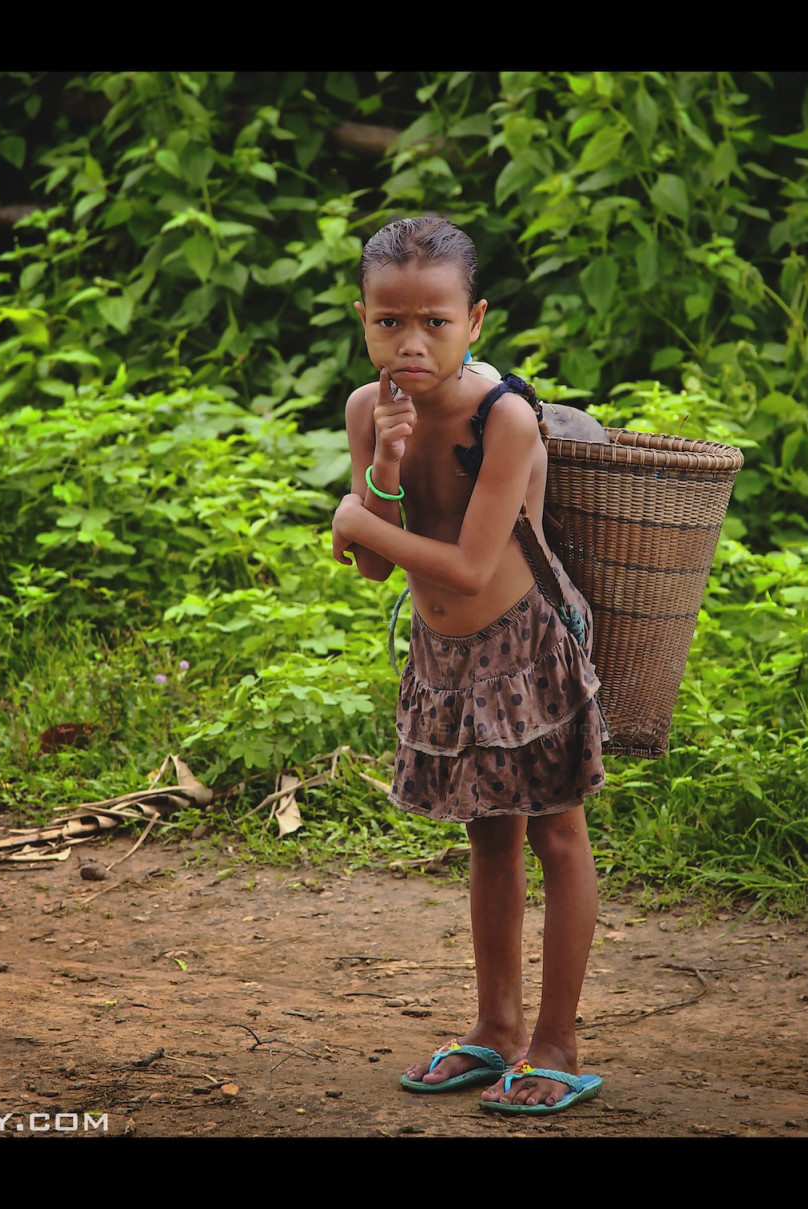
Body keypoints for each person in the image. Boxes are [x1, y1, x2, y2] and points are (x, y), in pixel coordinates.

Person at [330, 216, 608, 1115]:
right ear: (364, 318)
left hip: (526, 652)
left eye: (435, 323)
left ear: (475, 320)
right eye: (389, 322)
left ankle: (556, 1043)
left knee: (555, 833)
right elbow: (378, 570)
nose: (410, 343)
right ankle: (495, 1028)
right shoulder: (369, 410)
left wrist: (355, 519)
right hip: (444, 658)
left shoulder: (506, 420)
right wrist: (385, 463)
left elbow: (472, 568)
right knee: (488, 835)